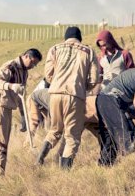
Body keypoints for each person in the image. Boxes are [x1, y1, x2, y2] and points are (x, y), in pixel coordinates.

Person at [36, 26, 98, 169]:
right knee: (72, 136)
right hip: (75, 95)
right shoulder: (89, 51)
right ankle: (64, 171)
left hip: (55, 94)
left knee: (55, 129)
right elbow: (94, 79)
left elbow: (48, 74)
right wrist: (83, 87)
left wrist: (57, 84)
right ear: (79, 38)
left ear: (66, 37)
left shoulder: (54, 49)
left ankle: (40, 158)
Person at [0, 48, 42, 176]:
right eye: (33, 62)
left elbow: (21, 95)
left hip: (8, 110)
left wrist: (23, 115)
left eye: (35, 64)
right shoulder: (10, 66)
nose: (33, 66)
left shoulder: (24, 73)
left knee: (4, 145)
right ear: (26, 56)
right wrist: (11, 86)